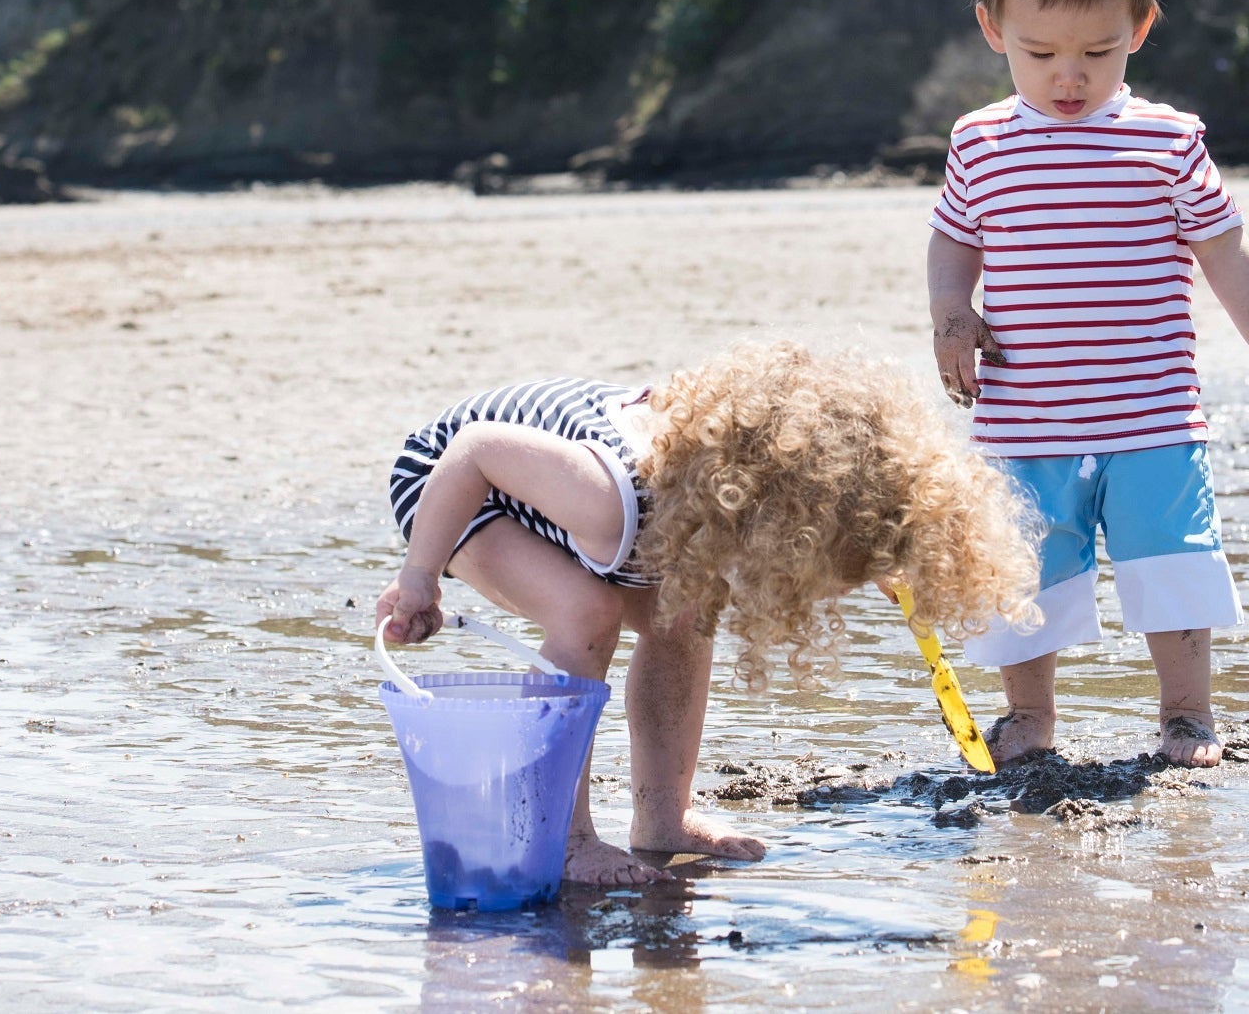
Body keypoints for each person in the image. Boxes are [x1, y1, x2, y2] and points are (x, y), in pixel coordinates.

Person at [374, 341, 1040, 888]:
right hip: (452, 484)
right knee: (587, 615)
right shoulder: (609, 499)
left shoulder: (714, 509)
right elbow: (476, 452)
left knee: (687, 615)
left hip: (569, 495)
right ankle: (564, 842)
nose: (819, 596)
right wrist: (419, 580)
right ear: (771, 526)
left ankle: (663, 820)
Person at [926, 0, 1249, 768]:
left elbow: (1221, 248)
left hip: (1150, 417)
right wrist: (951, 314)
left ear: (1139, 26)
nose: (1069, 77)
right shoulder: (980, 143)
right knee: (1025, 575)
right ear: (992, 29)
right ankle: (1032, 718)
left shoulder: (1168, 140)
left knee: (1172, 570)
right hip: (1026, 417)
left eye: (1097, 54)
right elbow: (953, 244)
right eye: (1041, 53)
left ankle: (1186, 715)